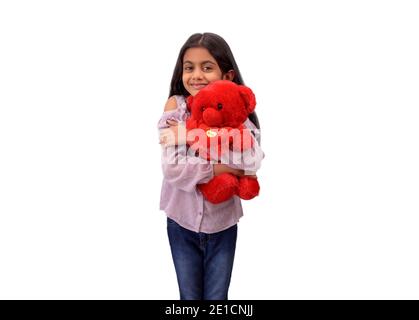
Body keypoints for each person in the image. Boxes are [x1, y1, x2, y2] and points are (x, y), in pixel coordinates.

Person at [157, 32, 264, 300]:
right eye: (189, 67)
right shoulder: (176, 107)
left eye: (207, 67)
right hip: (181, 223)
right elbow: (173, 169)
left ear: (227, 77)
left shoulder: (235, 110)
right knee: (189, 299)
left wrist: (189, 135)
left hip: (222, 224)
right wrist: (224, 167)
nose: (196, 75)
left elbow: (251, 160)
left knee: (217, 299)